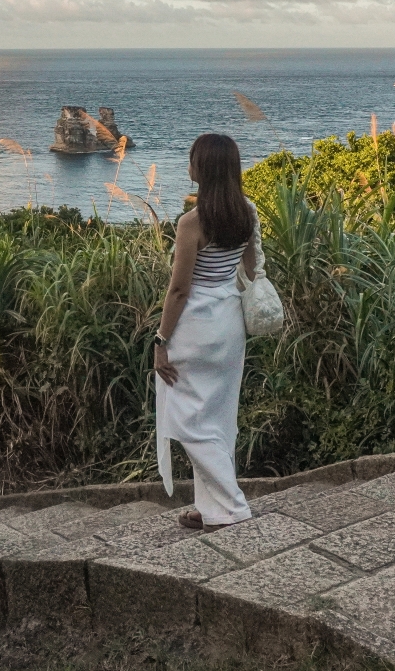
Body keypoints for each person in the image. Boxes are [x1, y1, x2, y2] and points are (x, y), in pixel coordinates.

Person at [153, 132, 261, 530]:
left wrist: (160, 340)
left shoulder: (192, 222)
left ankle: (232, 505)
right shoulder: (245, 213)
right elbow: (249, 270)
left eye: (192, 158)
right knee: (217, 419)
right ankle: (210, 508)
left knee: (187, 420)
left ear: (204, 169)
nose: (188, 164)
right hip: (229, 324)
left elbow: (179, 289)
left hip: (195, 327)